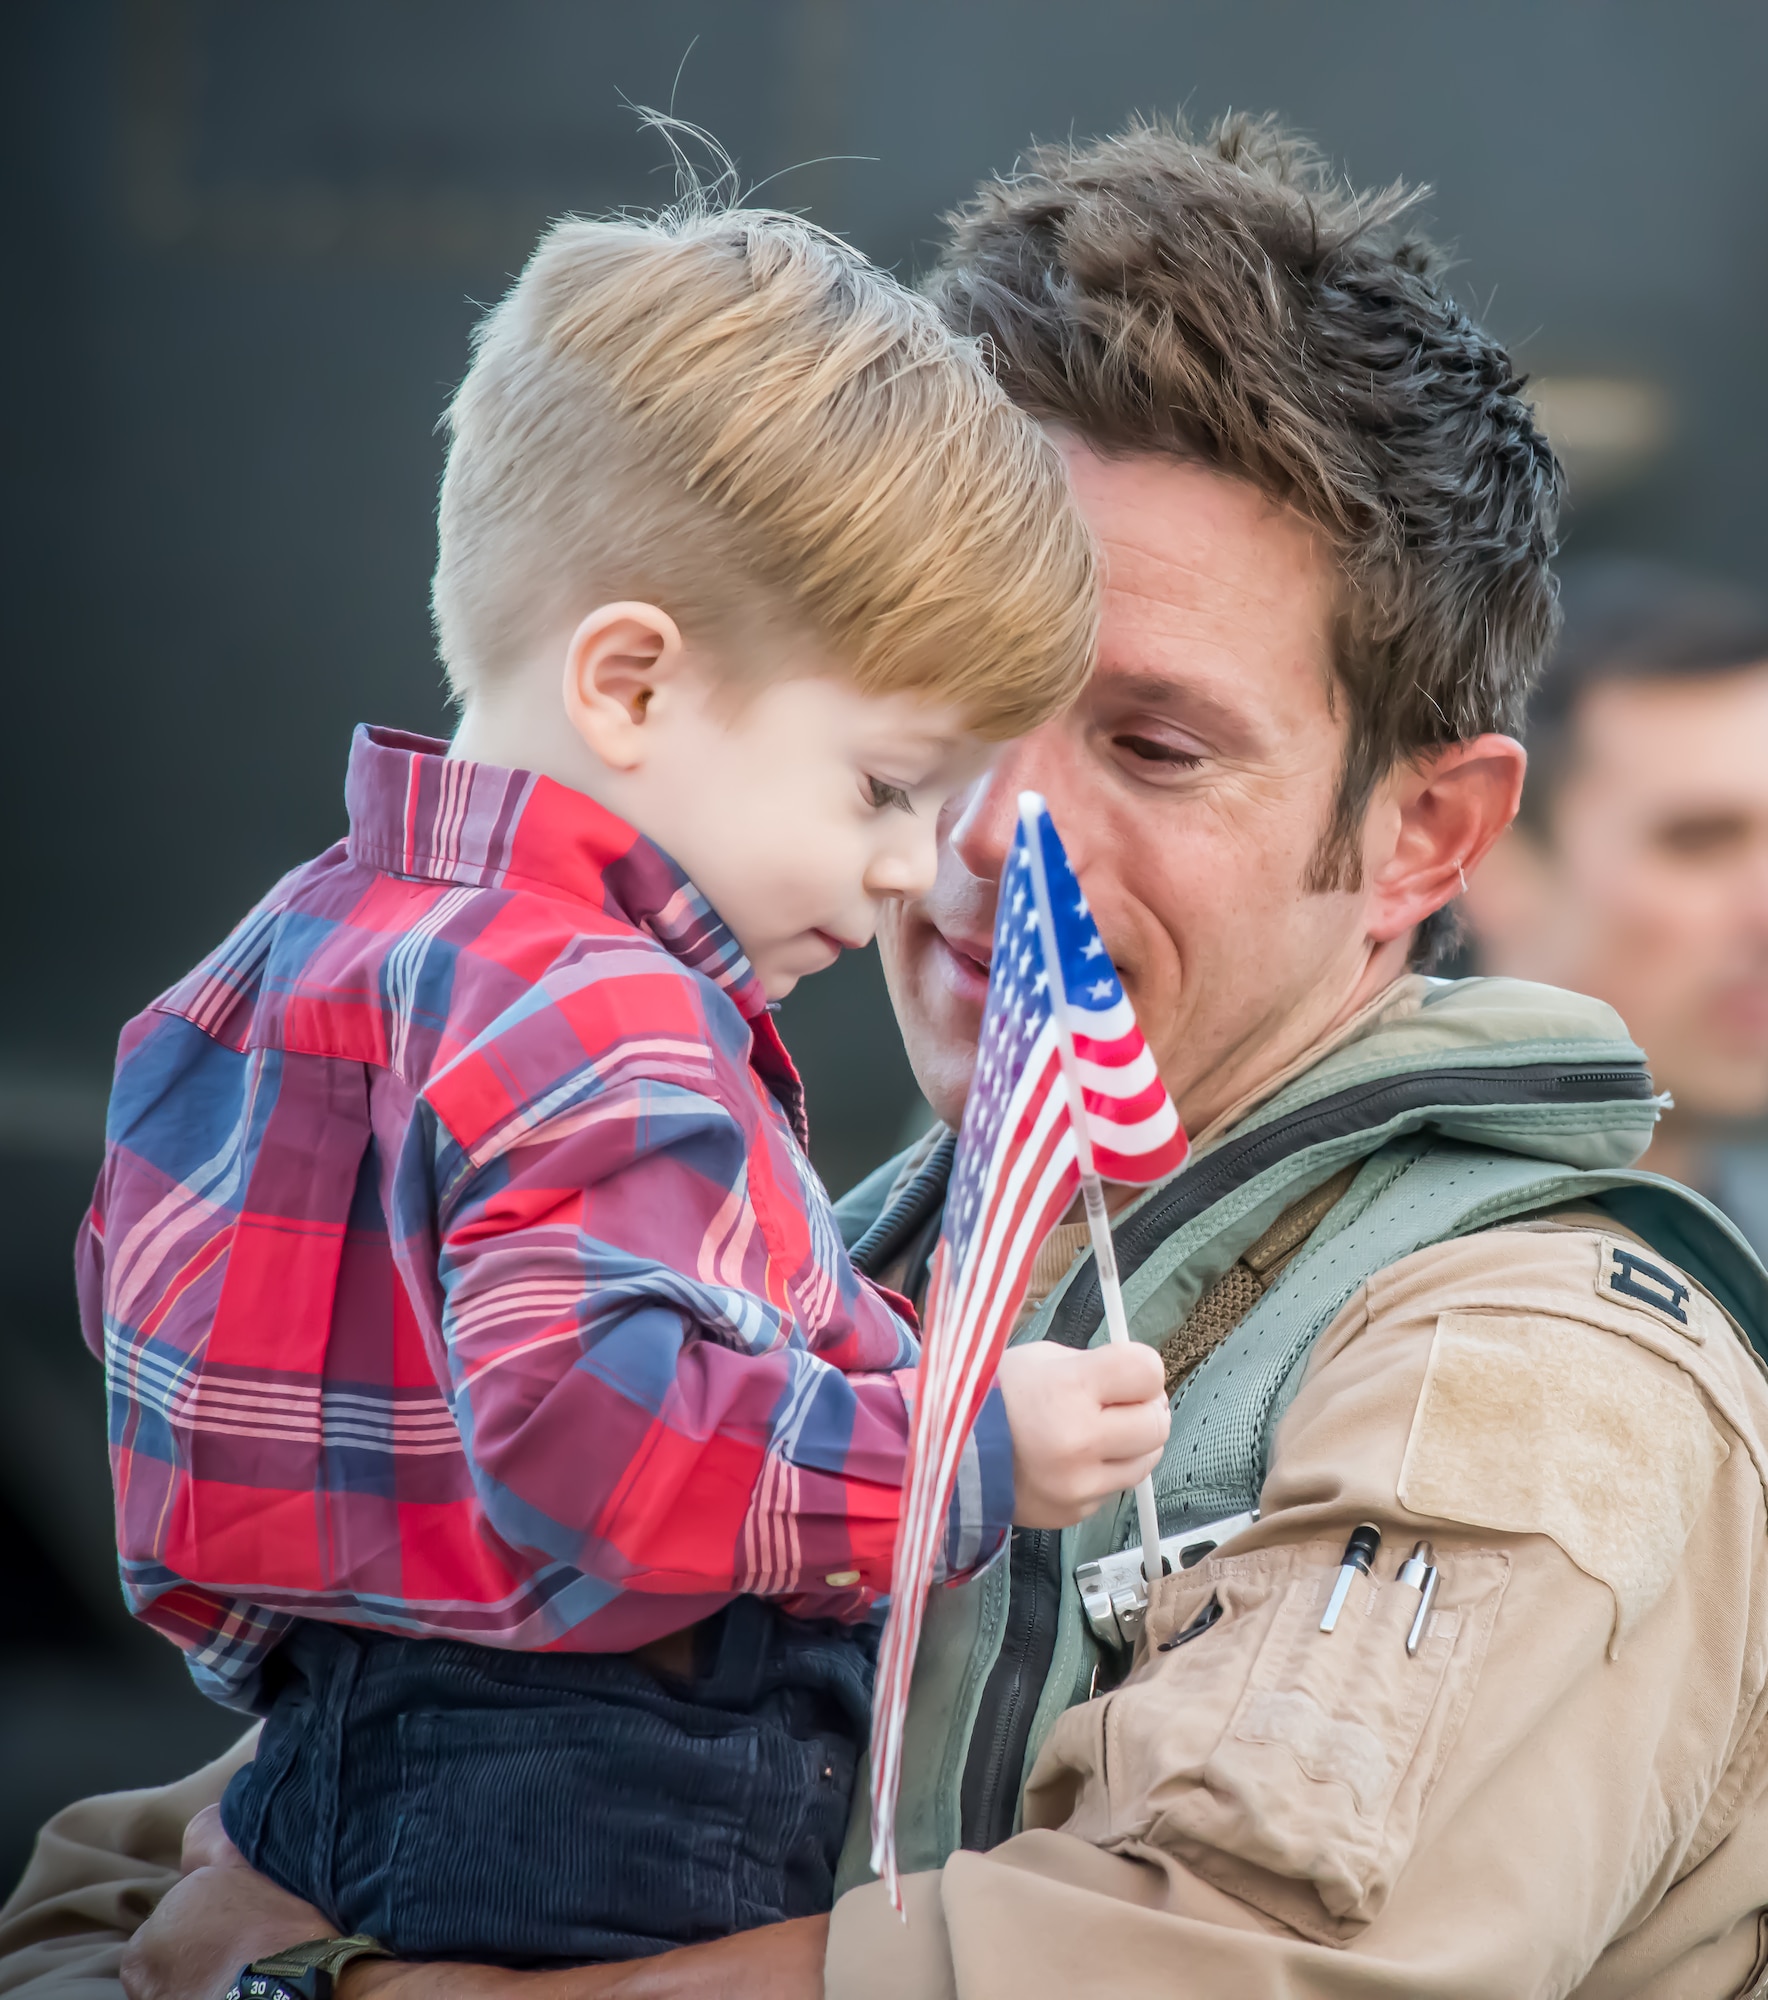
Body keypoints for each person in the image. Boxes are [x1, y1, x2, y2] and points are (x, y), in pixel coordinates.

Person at [9, 114, 1768, 2000]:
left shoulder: (1515, 1374)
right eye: (931, 730)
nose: (978, 835)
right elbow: (158, 1867)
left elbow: (1199, 1965)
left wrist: (330, 1991)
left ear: (1421, 838)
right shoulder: (813, 1259)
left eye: (1153, 748)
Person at [67, 194, 1174, 1974]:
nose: (914, 867)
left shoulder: (280, 952)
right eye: (884, 786)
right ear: (632, 683)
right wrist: (963, 1454)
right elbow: (601, 1438)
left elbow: (148, 1330)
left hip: (331, 1744)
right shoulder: (598, 1009)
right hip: (610, 1796)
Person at [1460, 559, 1768, 1256]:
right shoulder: (1361, 1271)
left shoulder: (1736, 1251)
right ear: (1489, 860)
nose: (1764, 914)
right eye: (1699, 842)